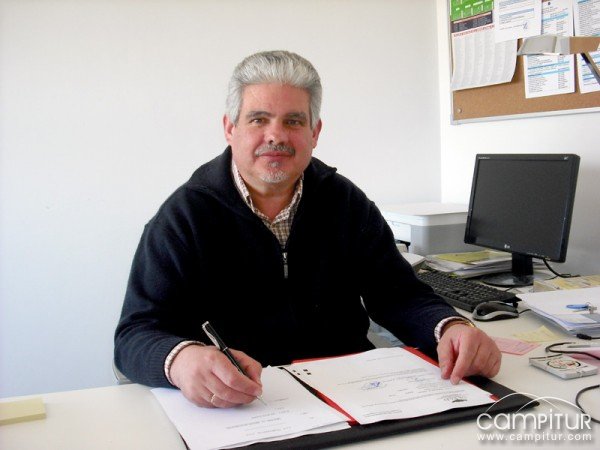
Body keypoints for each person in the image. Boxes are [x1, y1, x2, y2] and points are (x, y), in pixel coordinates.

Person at [114, 50, 501, 409]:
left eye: (293, 121)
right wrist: (181, 360)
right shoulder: (184, 217)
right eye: (258, 119)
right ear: (230, 128)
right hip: (240, 406)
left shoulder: (345, 202)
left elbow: (398, 295)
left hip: (352, 397)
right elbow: (135, 334)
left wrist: (449, 326)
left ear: (315, 132)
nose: (276, 136)